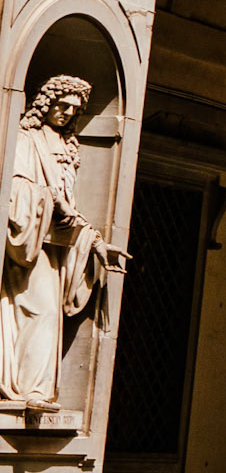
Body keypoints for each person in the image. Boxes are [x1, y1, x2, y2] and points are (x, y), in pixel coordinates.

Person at [0, 76, 114, 406]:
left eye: (73, 110)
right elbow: (15, 188)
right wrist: (50, 198)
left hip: (53, 248)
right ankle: (30, 389)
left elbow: (71, 208)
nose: (65, 113)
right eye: (61, 105)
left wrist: (95, 243)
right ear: (46, 102)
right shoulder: (26, 139)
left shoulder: (67, 147)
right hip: (28, 244)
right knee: (43, 311)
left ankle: (38, 390)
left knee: (50, 315)